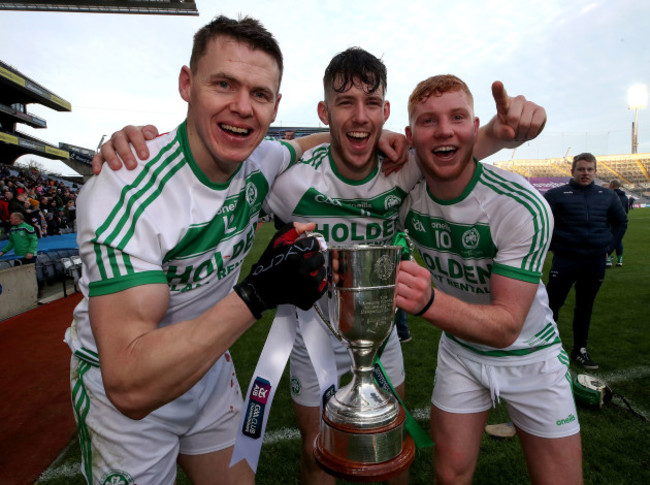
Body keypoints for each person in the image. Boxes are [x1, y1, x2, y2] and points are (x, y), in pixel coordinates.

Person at [64, 16, 330, 485]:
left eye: (260, 94)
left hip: (209, 365)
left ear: (275, 106)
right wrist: (258, 293)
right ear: (187, 84)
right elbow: (129, 382)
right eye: (224, 84)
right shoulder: (124, 190)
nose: (243, 107)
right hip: (128, 388)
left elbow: (301, 144)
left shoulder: (261, 157)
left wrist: (367, 138)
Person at [395, 74, 582, 485]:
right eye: (428, 121)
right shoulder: (405, 192)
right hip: (462, 352)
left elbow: (506, 328)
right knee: (449, 474)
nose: (444, 129)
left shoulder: (520, 205)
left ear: (474, 126)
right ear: (410, 135)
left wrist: (428, 301)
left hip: (531, 356)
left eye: (457, 117)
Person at [544, 153, 628, 369]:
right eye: (581, 169)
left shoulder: (607, 196)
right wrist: (554, 246)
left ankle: (579, 349)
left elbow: (621, 222)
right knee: (551, 305)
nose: (585, 173)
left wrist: (608, 246)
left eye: (590, 169)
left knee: (585, 306)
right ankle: (544, 348)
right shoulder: (556, 195)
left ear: (595, 172)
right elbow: (542, 223)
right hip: (565, 260)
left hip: (594, 262)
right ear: (572, 171)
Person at [606, 179, 629, 267]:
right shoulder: (625, 197)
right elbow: (627, 210)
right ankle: (619, 260)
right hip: (621, 222)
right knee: (618, 240)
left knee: (608, 239)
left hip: (610, 221)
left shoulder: (611, 195)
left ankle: (607, 259)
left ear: (611, 185)